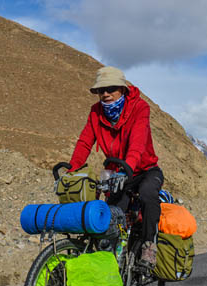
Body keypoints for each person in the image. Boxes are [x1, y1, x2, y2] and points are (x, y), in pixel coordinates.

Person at [68, 66, 164, 267]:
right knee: (111, 215)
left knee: (147, 195)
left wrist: (128, 168)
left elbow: (137, 143)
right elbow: (85, 141)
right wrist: (72, 169)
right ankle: (114, 262)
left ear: (122, 89)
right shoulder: (96, 112)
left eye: (111, 88)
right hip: (117, 173)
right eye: (101, 90)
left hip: (144, 170)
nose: (105, 94)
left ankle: (148, 246)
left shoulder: (140, 108)